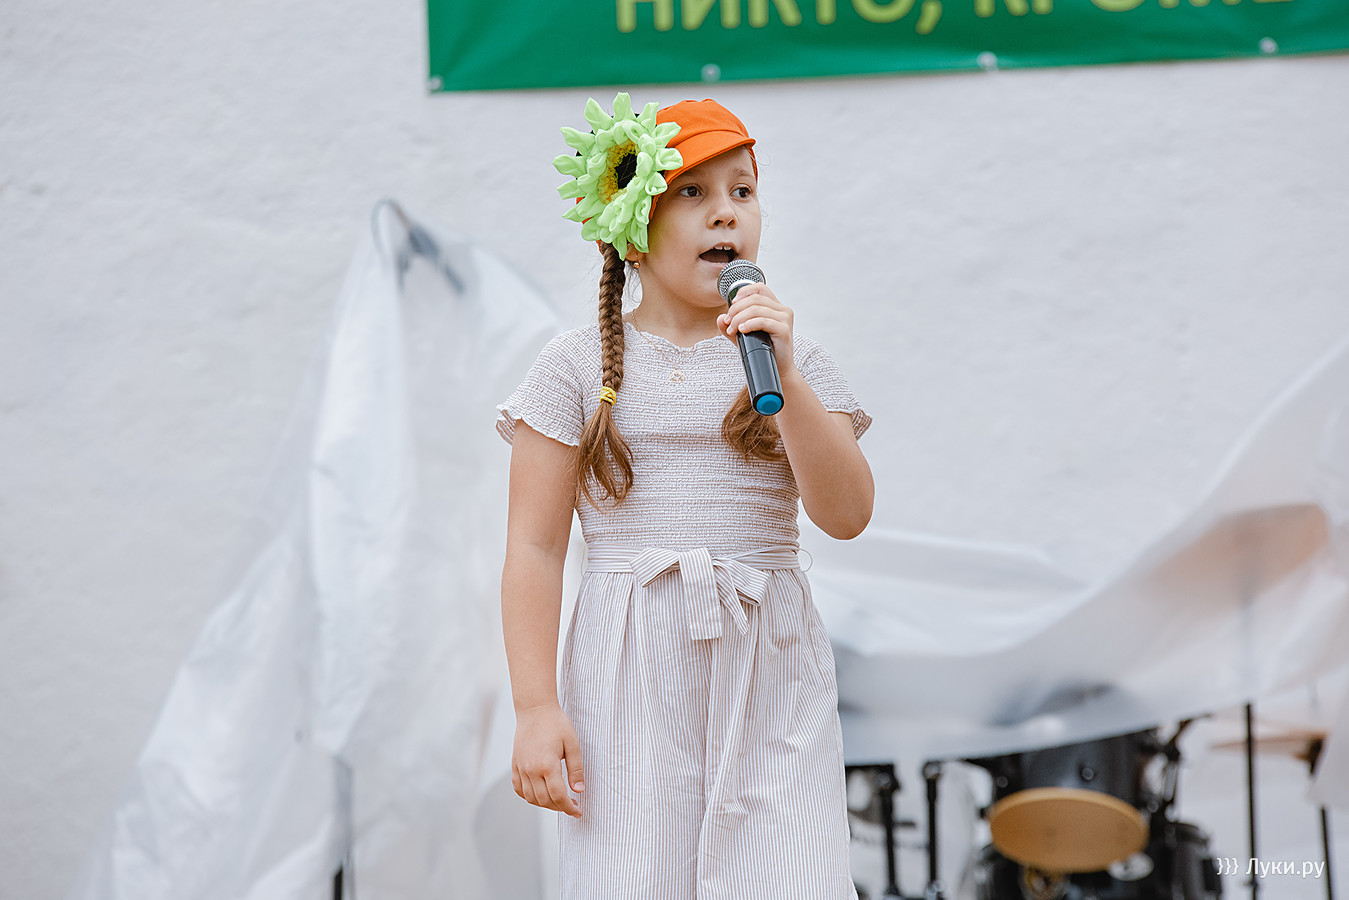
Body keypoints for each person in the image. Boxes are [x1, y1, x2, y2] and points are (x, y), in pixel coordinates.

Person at [496, 93, 874, 899]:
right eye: (692, 192)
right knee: (636, 875)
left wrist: (786, 377)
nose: (725, 212)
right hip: (629, 669)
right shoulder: (573, 368)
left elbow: (846, 516)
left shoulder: (794, 363)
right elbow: (534, 546)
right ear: (633, 226)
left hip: (768, 665)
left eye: (742, 190)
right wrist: (534, 707)